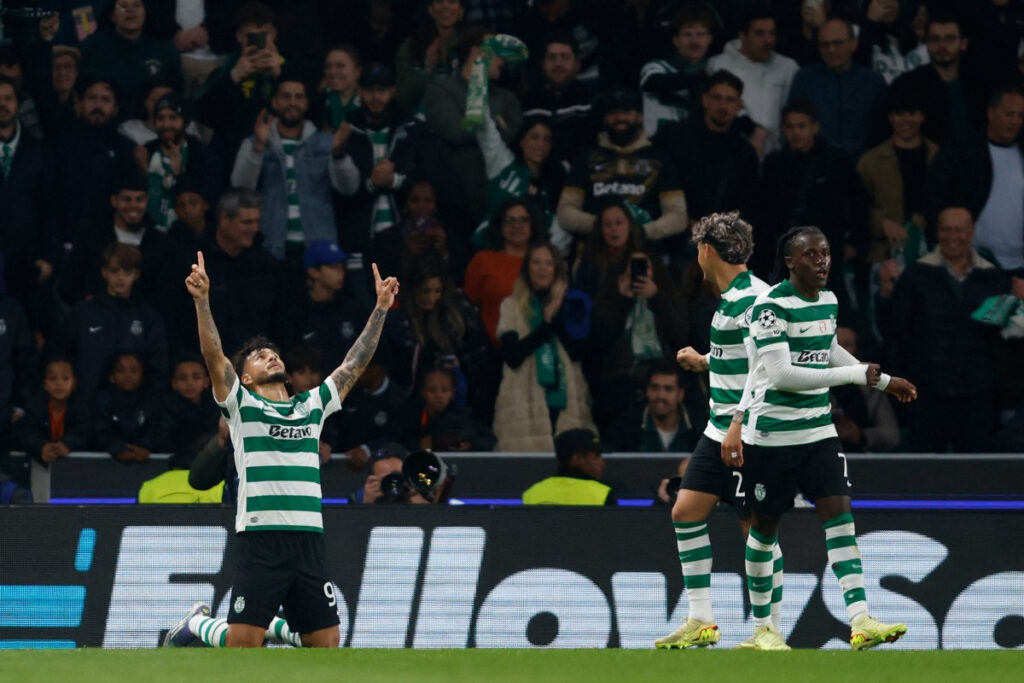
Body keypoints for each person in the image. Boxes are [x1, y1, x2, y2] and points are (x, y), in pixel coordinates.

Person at [163, 251, 398, 649]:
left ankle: (280, 627)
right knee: (243, 647)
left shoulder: (312, 405)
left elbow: (354, 364)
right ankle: (198, 624)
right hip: (262, 538)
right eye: (259, 356)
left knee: (325, 647)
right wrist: (202, 302)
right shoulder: (242, 405)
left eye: (273, 353)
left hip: (309, 539)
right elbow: (213, 356)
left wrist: (380, 309)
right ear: (246, 377)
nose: (271, 356)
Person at [735, 225, 917, 650]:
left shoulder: (830, 301)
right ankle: (765, 628)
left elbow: (827, 350)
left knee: (839, 516)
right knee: (764, 529)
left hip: (818, 432)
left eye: (826, 252)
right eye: (811, 255)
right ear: (790, 262)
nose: (821, 261)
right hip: (773, 436)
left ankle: (859, 619)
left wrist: (882, 381)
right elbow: (782, 374)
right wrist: (857, 375)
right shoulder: (770, 308)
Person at [654, 211, 780, 651]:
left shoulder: (755, 300)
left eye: (698, 249)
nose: (697, 258)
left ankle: (769, 630)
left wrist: (739, 424)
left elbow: (768, 369)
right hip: (718, 427)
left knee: (756, 531)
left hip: (747, 432)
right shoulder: (732, 298)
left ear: (708, 250)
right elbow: (746, 356)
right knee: (685, 511)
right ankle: (701, 620)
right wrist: (706, 360)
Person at [877, 207, 1010, 453]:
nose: (952, 236)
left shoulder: (993, 277)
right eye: (946, 229)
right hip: (928, 392)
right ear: (937, 232)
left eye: (958, 230)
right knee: (925, 473)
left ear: (971, 232)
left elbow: (1000, 337)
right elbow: (894, 328)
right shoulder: (917, 275)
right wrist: (885, 295)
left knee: (976, 474)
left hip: (978, 392)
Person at [229, 73, 358, 261]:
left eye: (299, 97)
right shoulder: (254, 142)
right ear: (275, 102)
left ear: (306, 103)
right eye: (286, 96)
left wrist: (338, 153)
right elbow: (240, 189)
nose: (292, 102)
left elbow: (350, 187)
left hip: (317, 248)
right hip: (271, 247)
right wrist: (258, 147)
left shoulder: (326, 142)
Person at [754, 99, 868, 301]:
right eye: (790, 127)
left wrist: (855, 243)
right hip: (786, 256)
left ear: (815, 127)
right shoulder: (774, 165)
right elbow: (764, 213)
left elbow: (858, 204)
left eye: (802, 126)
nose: (796, 132)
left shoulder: (836, 161)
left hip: (827, 253)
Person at [492, 242, 594, 451]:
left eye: (548, 263)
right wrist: (547, 324)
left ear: (556, 269)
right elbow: (513, 356)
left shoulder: (571, 305)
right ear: (527, 268)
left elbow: (577, 352)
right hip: (523, 399)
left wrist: (558, 314)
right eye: (536, 262)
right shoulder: (511, 306)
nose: (542, 268)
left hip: (566, 399)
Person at [422, 25, 522, 228]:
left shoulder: (507, 98)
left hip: (502, 202)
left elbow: (514, 136)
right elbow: (454, 132)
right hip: (456, 205)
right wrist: (494, 122)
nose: (502, 61)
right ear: (477, 52)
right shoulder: (441, 90)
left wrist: (475, 121)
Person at [556, 89, 687, 243]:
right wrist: (606, 227)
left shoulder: (659, 158)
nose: (619, 118)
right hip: (594, 252)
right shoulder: (586, 158)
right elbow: (565, 213)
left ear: (639, 116)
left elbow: (678, 217)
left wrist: (641, 231)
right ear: (604, 118)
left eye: (626, 111)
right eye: (613, 112)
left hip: (645, 251)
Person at [336, 62, 425, 287]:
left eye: (382, 90)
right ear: (360, 92)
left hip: (404, 235)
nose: (376, 96)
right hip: (358, 237)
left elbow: (425, 177)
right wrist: (372, 184)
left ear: (393, 91)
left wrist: (393, 180)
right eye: (370, 90)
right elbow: (341, 191)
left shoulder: (411, 127)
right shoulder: (348, 129)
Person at [49, 243, 169, 402]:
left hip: (133, 407)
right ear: (104, 272)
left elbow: (158, 366)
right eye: (114, 271)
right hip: (87, 405)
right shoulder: (83, 311)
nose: (120, 277)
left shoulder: (148, 316)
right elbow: (60, 353)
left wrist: (147, 403)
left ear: (136, 274)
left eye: (127, 272)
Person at [924, 84, 1024, 270]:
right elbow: (934, 195)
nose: (1015, 121)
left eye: (1020, 116)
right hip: (973, 265)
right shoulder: (961, 150)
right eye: (1009, 114)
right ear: (991, 113)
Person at [588, 247, 688, 431]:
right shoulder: (610, 299)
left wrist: (656, 298)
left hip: (661, 378)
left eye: (644, 266)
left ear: (655, 270)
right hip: (620, 384)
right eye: (633, 266)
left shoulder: (668, 298)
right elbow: (600, 340)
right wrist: (622, 300)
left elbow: (679, 336)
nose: (638, 272)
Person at [655, 70, 759, 225]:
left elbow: (748, 204)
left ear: (738, 105)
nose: (723, 106)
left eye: (730, 100)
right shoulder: (674, 136)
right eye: (717, 98)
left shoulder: (744, 153)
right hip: (672, 230)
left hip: (720, 238)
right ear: (705, 100)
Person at [59, 169, 173, 307]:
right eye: (126, 199)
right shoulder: (92, 238)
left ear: (147, 201)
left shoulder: (160, 243)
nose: (133, 206)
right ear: (114, 201)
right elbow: (68, 286)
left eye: (139, 199)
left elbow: (165, 295)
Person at [193, 2, 285, 163]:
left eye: (264, 35)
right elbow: (202, 113)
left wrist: (279, 78)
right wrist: (234, 78)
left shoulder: (290, 71)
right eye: (251, 37)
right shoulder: (225, 71)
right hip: (233, 151)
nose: (258, 42)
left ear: (275, 34)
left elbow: (302, 113)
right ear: (239, 37)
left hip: (278, 153)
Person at [856, 88, 938, 266]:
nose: (906, 120)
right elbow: (856, 208)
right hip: (884, 256)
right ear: (890, 117)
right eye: (899, 113)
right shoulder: (870, 162)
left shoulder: (939, 157)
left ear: (922, 116)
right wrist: (882, 223)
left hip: (934, 253)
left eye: (912, 113)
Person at [53, 75, 136, 249]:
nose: (98, 106)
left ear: (114, 107)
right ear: (81, 103)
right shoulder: (60, 144)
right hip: (65, 239)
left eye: (105, 100)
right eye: (92, 98)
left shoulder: (126, 148)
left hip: (111, 243)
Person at [788, 17, 886, 158]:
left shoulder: (873, 82)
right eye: (824, 44)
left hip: (863, 167)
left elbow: (881, 130)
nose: (831, 49)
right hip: (815, 167)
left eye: (837, 43)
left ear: (853, 44)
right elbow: (793, 126)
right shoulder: (804, 79)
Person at [707, 4, 799, 155]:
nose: (767, 40)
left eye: (771, 33)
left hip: (777, 157)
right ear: (743, 35)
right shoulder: (719, 65)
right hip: (730, 153)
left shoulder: (788, 67)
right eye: (760, 34)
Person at [0, 74, 57, 306]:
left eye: (8, 98)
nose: (2, 104)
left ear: (17, 104)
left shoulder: (39, 151)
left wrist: (48, 257)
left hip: (28, 261)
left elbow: (51, 208)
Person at [888, 14, 988, 146]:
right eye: (935, 39)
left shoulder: (980, 84)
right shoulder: (907, 85)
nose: (942, 45)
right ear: (927, 43)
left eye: (950, 39)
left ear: (963, 44)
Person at [134, 91, 221, 232]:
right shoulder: (145, 153)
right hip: (149, 235)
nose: (166, 124)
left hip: (188, 238)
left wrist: (180, 175)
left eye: (173, 118)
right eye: (160, 118)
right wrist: (143, 172)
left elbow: (208, 202)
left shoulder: (203, 155)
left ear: (185, 122)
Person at [79, 0, 182, 114]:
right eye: (123, 6)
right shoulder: (93, 47)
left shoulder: (163, 51)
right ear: (112, 16)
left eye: (136, 5)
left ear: (145, 13)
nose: (130, 10)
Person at [285, 240, 368, 376]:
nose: (341, 272)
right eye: (334, 267)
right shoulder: (296, 314)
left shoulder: (353, 309)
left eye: (342, 266)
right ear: (313, 272)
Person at [463, 199, 537, 342]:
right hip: (490, 350)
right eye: (509, 220)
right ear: (500, 225)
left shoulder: (544, 261)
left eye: (523, 220)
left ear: (532, 225)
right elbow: (468, 308)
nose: (517, 225)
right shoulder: (482, 260)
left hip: (537, 350)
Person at [640, 2, 716, 137]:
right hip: (659, 145)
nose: (694, 41)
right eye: (687, 35)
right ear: (676, 40)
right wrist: (702, 78)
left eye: (700, 34)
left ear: (709, 39)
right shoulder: (656, 67)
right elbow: (653, 82)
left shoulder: (718, 67)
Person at [522, 32, 596, 164]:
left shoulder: (592, 100)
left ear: (577, 64)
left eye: (565, 57)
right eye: (551, 58)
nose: (558, 64)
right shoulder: (528, 101)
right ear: (543, 64)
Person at [829, 327, 901, 453]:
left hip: (861, 461)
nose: (841, 353)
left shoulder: (870, 387)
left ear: (857, 350)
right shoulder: (810, 384)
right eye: (836, 346)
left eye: (847, 345)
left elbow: (892, 435)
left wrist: (861, 436)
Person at [605, 361, 697, 453]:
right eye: (655, 388)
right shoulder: (625, 427)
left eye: (668, 389)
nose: (660, 395)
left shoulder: (700, 428)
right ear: (647, 390)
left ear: (680, 394)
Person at [14, 357, 90, 468]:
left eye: (65, 378)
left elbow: (85, 433)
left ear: (74, 383)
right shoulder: (34, 407)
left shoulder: (82, 408)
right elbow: (25, 434)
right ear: (45, 384)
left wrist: (67, 444)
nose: (59, 383)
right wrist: (41, 447)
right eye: (53, 378)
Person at [93, 351, 166, 462]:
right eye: (120, 370)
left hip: (148, 461)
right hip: (107, 464)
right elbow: (100, 431)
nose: (128, 375)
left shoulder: (152, 400)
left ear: (142, 375)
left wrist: (145, 447)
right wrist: (118, 449)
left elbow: (156, 429)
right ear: (111, 377)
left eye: (134, 371)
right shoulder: (102, 400)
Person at [395, 0, 464, 113]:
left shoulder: (472, 46)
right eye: (439, 1)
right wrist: (428, 68)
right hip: (420, 121)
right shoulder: (410, 47)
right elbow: (402, 97)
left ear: (461, 11)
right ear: (430, 10)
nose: (445, 6)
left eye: (452, 1)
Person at [571, 200, 647, 299]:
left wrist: (653, 293)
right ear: (601, 230)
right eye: (607, 224)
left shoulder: (645, 257)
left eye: (619, 223)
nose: (613, 228)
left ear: (630, 226)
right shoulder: (589, 262)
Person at [522, 428, 614, 505]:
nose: (602, 463)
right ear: (577, 459)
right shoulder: (602, 494)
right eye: (596, 457)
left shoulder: (532, 493)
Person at [160, 355, 220, 467]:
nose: (190, 383)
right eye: (183, 378)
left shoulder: (215, 406)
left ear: (206, 381)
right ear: (174, 383)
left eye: (196, 377)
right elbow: (165, 441)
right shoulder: (166, 408)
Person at [316, 44, 362, 130]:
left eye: (340, 66)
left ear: (357, 71)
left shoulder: (367, 102)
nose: (332, 72)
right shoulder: (318, 101)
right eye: (328, 67)